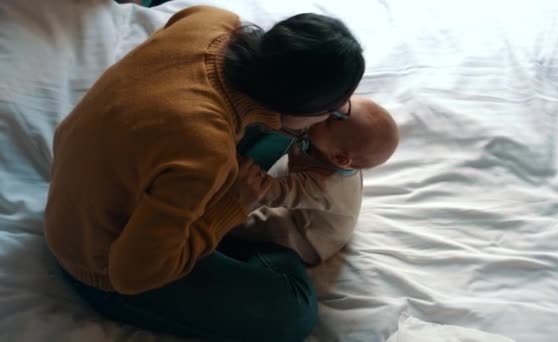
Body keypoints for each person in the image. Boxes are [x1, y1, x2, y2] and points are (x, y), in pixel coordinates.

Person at [44, 5, 364, 342]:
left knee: (276, 133)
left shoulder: (211, 20)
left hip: (79, 187)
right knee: (294, 312)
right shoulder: (204, 150)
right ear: (304, 106)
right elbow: (132, 275)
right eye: (331, 113)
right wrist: (232, 209)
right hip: (98, 260)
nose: (330, 120)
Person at [232, 97, 399, 265]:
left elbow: (264, 191)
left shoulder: (324, 185)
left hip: (308, 239)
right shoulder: (326, 142)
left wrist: (234, 162)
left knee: (243, 220)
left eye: (329, 119)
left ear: (340, 158)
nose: (323, 113)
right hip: (308, 202)